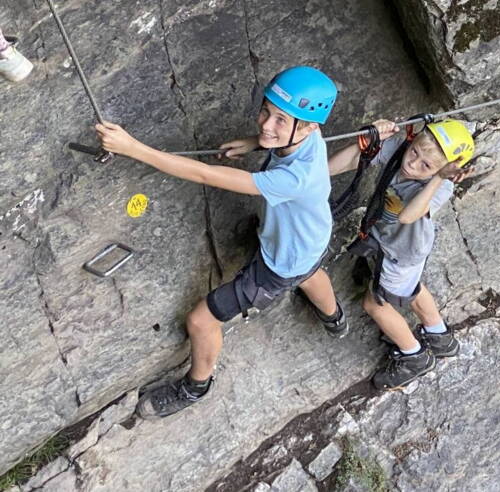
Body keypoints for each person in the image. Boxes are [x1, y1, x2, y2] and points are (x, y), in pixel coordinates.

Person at [95, 66, 347, 419]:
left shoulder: (294, 179)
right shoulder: (308, 138)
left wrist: (133, 147)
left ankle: (195, 386)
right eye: (266, 111)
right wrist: (256, 142)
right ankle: (334, 317)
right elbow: (276, 137)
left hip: (277, 265)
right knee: (308, 271)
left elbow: (204, 174)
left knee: (200, 321)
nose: (266, 125)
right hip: (312, 238)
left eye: (279, 120)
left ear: (308, 126)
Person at [327, 118, 474, 390]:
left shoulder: (441, 186)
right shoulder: (399, 148)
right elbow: (346, 163)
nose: (413, 163)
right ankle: (439, 335)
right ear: (414, 138)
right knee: (412, 288)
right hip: (403, 249)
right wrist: (368, 138)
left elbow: (408, 215)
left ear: (445, 171)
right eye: (415, 151)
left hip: (400, 255)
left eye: (426, 166)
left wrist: (439, 177)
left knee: (375, 305)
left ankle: (413, 355)